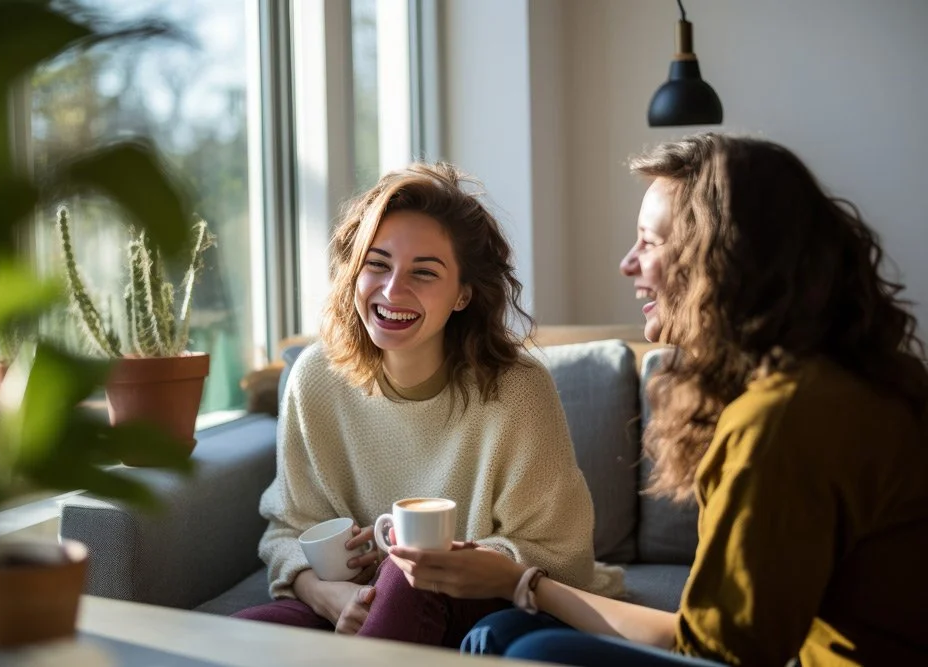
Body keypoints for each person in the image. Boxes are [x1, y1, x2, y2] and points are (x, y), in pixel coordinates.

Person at [386, 135, 928, 665]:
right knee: (503, 635)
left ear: (721, 258)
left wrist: (521, 580)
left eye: (649, 242)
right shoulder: (852, 382)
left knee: (533, 648)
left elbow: (717, 650)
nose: (627, 264)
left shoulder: (782, 419)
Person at [233, 162, 624, 648]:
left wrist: (445, 561)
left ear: (463, 294)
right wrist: (324, 594)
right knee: (245, 633)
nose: (393, 290)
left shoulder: (518, 390)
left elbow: (562, 555)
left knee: (408, 571)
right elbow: (287, 529)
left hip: (486, 608)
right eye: (377, 264)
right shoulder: (315, 377)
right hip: (352, 606)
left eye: (424, 272)